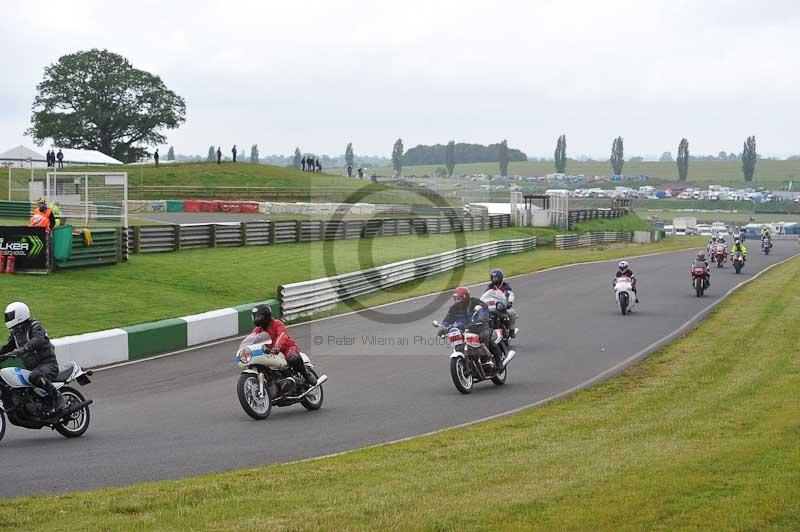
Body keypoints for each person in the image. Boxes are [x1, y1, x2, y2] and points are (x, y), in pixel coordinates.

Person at [1, 302, 66, 413]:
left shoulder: (34, 325)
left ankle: (58, 397)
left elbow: (38, 340)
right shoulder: (15, 333)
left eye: (10, 316)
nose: (8, 318)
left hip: (47, 364)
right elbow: (7, 348)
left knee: (34, 376)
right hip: (31, 367)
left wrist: (23, 349)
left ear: (20, 314)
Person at [250, 304, 316, 386]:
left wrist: (277, 346)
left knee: (292, 358)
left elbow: (282, 335)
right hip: (270, 353)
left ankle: (306, 375)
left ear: (266, 315)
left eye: (258, 317)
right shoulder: (257, 330)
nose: (256, 319)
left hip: (286, 348)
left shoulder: (277, 323)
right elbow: (252, 341)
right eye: (255, 317)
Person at [440, 287, 504, 368]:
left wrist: (480, 319)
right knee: (459, 342)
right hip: (464, 329)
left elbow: (484, 309)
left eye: (459, 298)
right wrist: (443, 328)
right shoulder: (454, 308)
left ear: (465, 297)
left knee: (484, 337)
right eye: (455, 299)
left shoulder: (475, 302)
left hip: (480, 326)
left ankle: (498, 359)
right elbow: (447, 320)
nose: (456, 301)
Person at [486, 268, 518, 337]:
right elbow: (485, 295)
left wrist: (510, 302)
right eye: (493, 277)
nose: (494, 279)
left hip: (503, 305)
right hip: (493, 305)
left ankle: (511, 330)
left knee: (512, 313)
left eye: (496, 277)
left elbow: (511, 294)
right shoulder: (490, 286)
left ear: (500, 277)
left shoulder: (505, 285)